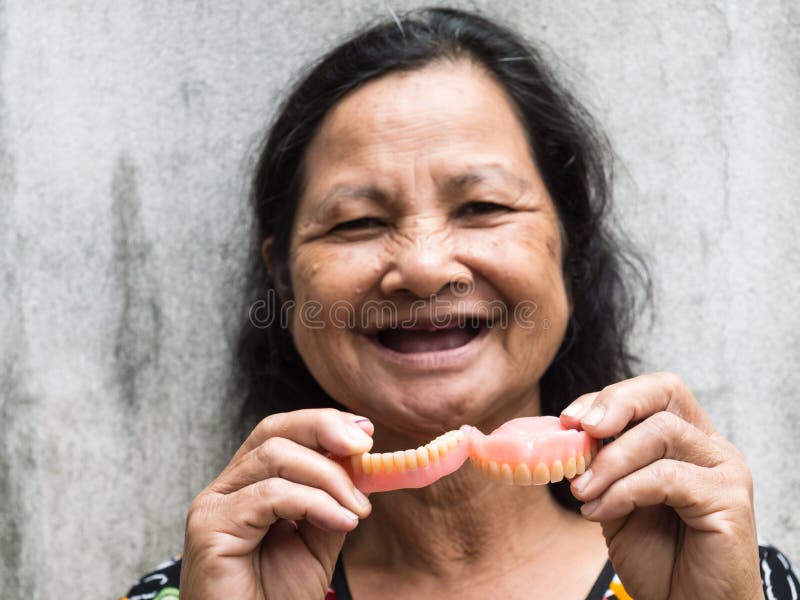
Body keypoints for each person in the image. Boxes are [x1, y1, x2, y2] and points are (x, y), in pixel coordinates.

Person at [122, 7, 799, 599]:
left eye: (482, 207)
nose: (422, 268)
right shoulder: (198, 591)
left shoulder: (736, 578)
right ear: (284, 279)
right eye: (357, 221)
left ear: (570, 247)